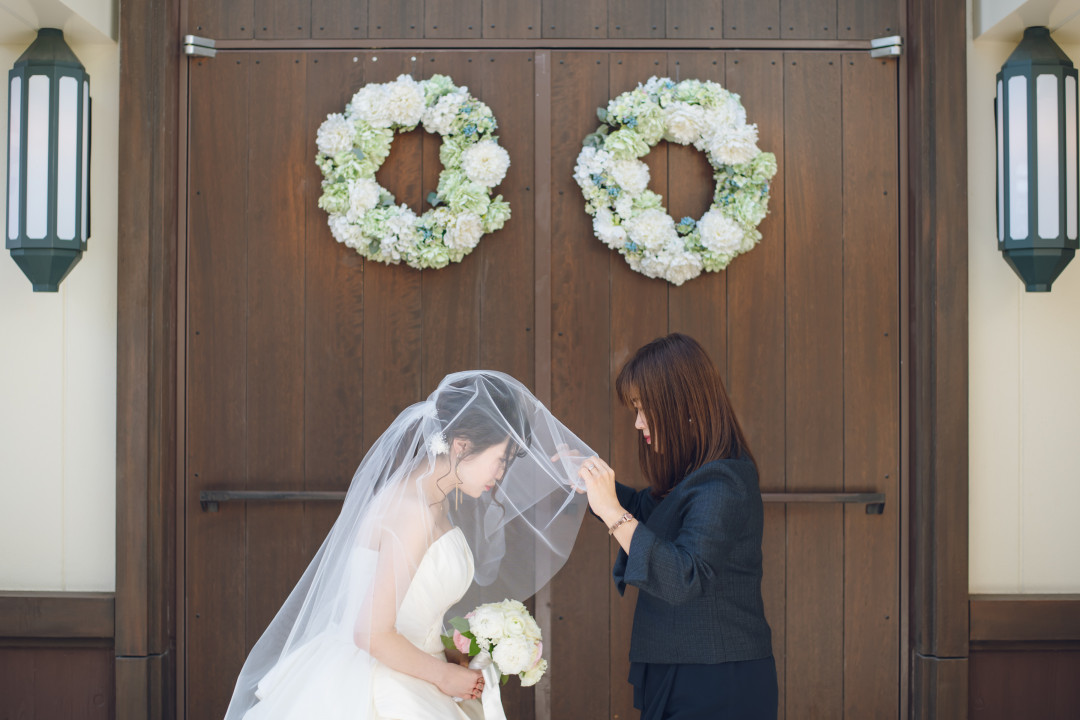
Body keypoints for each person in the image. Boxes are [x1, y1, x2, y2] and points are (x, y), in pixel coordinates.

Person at [225, 371, 593, 720]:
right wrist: (443, 676)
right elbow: (370, 631)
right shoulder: (413, 511)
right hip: (379, 678)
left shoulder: (434, 499)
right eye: (500, 460)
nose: (500, 475)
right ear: (462, 446)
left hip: (409, 663)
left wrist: (453, 653)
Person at [577, 333, 778, 720]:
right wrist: (587, 480)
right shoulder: (697, 473)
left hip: (716, 678)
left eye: (643, 408)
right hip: (683, 668)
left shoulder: (724, 480)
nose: (638, 423)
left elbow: (686, 576)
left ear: (680, 404)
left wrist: (612, 510)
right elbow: (650, 514)